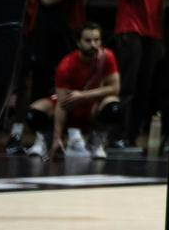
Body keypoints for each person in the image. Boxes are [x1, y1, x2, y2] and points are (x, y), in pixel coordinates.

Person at [15, 21, 120, 158]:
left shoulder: (107, 57)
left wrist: (83, 95)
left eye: (97, 40)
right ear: (78, 42)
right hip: (70, 107)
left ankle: (96, 141)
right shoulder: (66, 65)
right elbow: (62, 103)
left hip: (92, 106)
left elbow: (115, 88)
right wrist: (57, 137)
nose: (93, 45)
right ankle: (47, 140)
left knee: (114, 107)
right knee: (34, 113)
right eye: (88, 41)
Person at [112, 0, 168, 150]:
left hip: (152, 34)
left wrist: (163, 37)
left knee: (145, 89)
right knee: (128, 86)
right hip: (130, 30)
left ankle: (133, 135)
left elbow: (162, 4)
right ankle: (118, 135)